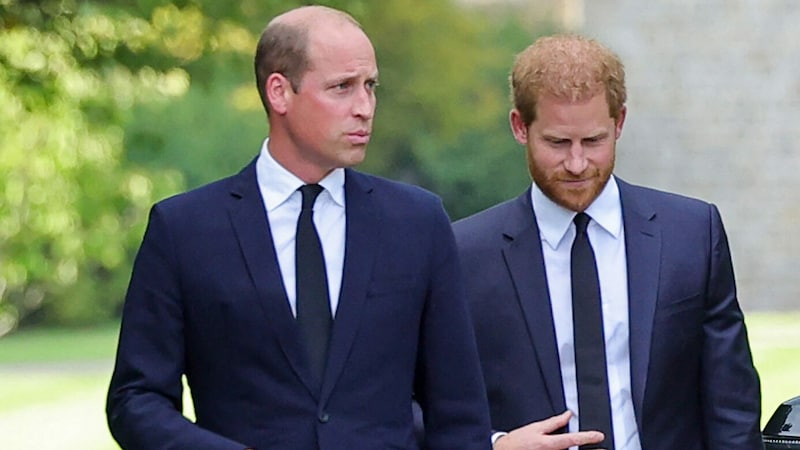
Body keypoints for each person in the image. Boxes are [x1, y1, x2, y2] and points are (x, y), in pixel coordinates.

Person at [106, 5, 491, 449]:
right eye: (342, 88)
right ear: (279, 92)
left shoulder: (418, 222)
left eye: (370, 86)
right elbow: (136, 400)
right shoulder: (184, 230)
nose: (364, 107)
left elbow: (459, 413)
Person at [453, 34, 763, 450]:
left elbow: (732, 406)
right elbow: (415, 399)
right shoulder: (463, 253)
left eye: (594, 141)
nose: (577, 163)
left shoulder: (692, 233)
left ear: (619, 122)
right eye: (558, 143)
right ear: (519, 127)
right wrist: (495, 444)